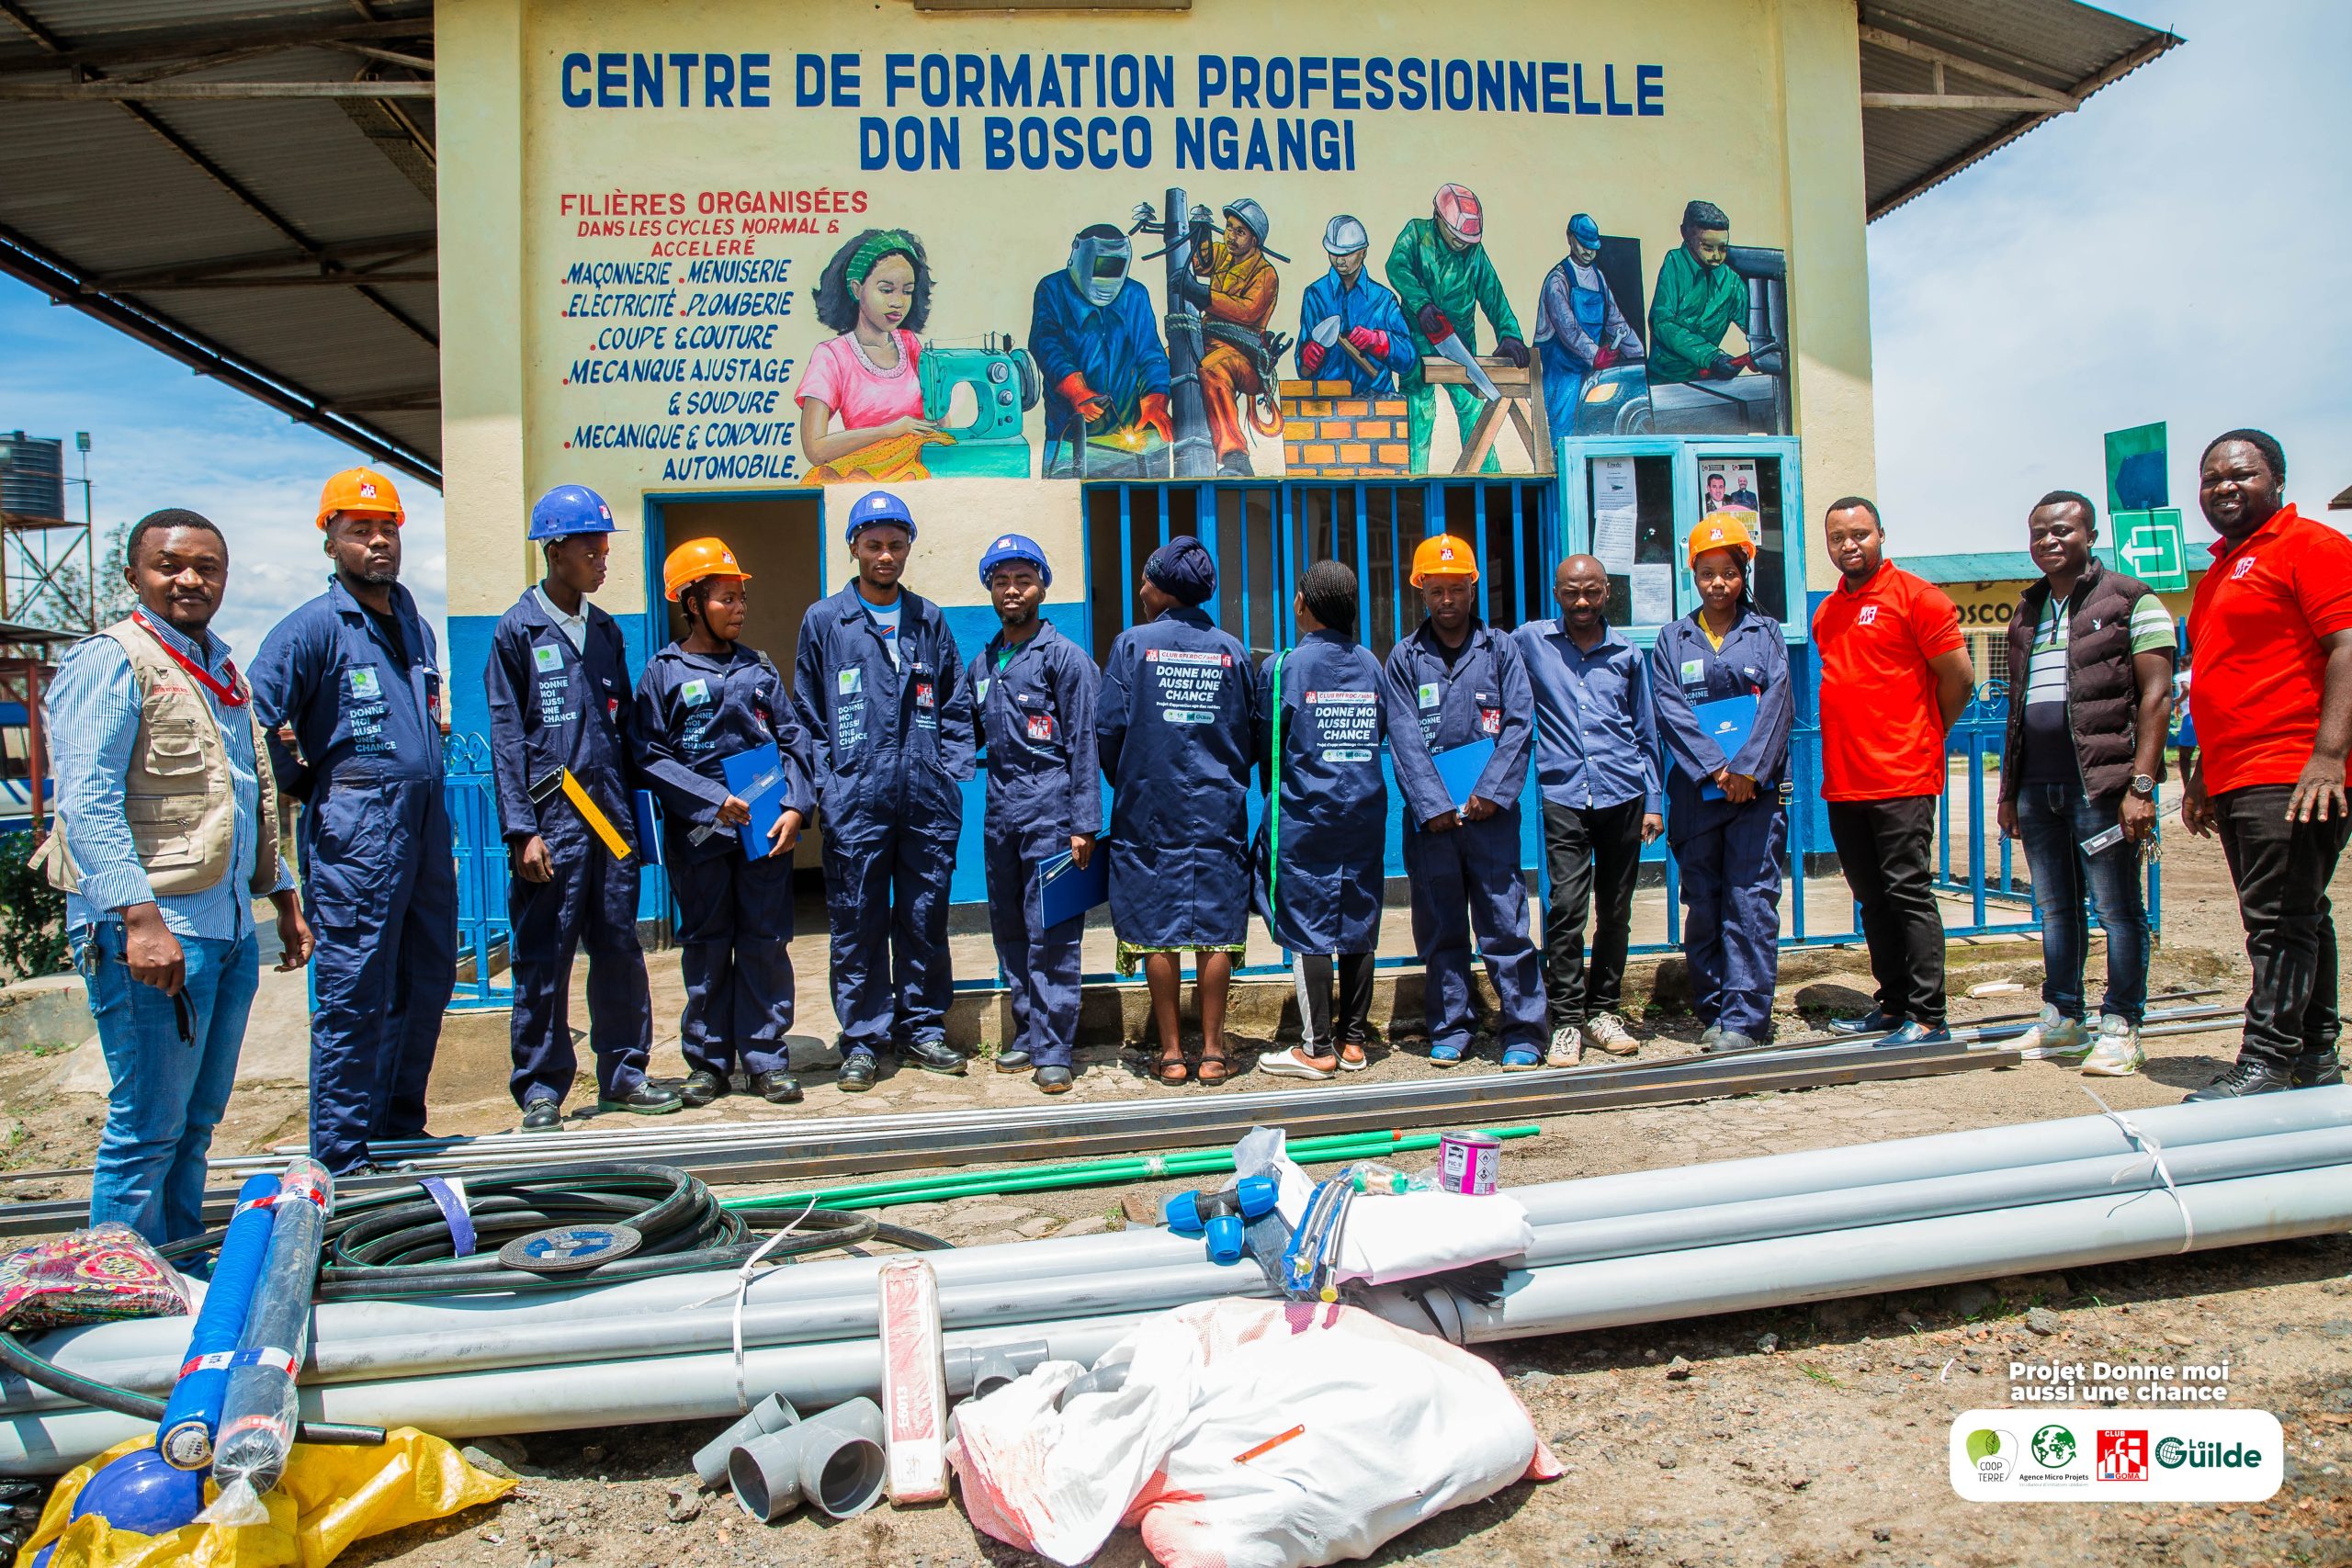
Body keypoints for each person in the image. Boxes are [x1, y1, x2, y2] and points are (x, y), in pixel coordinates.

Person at [36, 510, 311, 1242]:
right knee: (146, 1129)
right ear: (135, 575)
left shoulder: (219, 670)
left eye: (207, 567)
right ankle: (120, 1284)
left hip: (225, 926)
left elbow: (246, 793)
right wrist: (139, 919)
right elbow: (89, 800)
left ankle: (180, 1265)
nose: (190, 579)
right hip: (156, 932)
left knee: (195, 1124)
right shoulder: (112, 659)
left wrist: (282, 894)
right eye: (170, 565)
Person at [252, 468, 455, 1176]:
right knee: (354, 989)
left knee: (426, 979)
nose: (377, 541)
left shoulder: (417, 627)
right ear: (330, 540)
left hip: (425, 828)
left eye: (387, 528)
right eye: (359, 529)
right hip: (360, 834)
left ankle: (397, 1127)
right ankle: (342, 1153)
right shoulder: (312, 628)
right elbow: (251, 720)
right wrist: (301, 782)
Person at [484, 485, 681, 1130]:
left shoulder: (605, 631)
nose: (603, 561)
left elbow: (624, 731)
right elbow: (507, 736)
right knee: (545, 955)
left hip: (610, 820)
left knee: (620, 947)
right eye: (591, 550)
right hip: (552, 825)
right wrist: (521, 831)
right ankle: (542, 1087)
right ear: (555, 550)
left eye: (605, 549)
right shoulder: (517, 630)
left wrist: (649, 814)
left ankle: (624, 1073)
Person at [2178, 430, 2352, 1099]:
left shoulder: (2311, 546)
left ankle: (2267, 1062)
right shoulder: (2222, 569)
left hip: (2293, 766)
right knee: (2298, 914)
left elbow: (2346, 647)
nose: (2224, 486)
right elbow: (2223, 675)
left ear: (2277, 480)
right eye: (2211, 478)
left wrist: (2328, 757)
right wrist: (2203, 773)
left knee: (2278, 921)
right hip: (2240, 770)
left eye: (2241, 474)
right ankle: (2315, 1057)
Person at [793, 490, 975, 1091]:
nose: (885, 555)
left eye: (896, 544)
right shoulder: (826, 621)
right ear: (854, 547)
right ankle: (864, 1039)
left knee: (924, 916)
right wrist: (830, 786)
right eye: (873, 544)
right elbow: (807, 715)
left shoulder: (929, 619)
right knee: (857, 921)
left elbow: (954, 703)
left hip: (924, 799)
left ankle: (922, 1027)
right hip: (857, 800)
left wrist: (948, 773)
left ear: (908, 548)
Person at [1995, 491, 2174, 1077]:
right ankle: (2063, 1019)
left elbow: (2156, 696)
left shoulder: (2132, 600)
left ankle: (2122, 1025)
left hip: (2102, 788)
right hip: (2037, 788)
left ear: (2090, 536)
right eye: (2039, 532)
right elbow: (2017, 709)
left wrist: (2141, 787)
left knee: (2118, 910)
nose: (2049, 540)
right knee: (2055, 909)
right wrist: (2010, 793)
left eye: (2063, 530)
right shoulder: (2027, 610)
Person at [633, 537, 816, 1106]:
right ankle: (708, 1063)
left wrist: (796, 806)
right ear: (692, 604)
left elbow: (794, 739)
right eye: (726, 598)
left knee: (765, 942)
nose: (739, 608)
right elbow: (648, 754)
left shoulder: (758, 668)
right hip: (700, 837)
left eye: (742, 598)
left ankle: (765, 1060)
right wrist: (711, 798)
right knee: (707, 946)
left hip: (763, 834)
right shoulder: (663, 673)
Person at [1810, 497, 1974, 1044]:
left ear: (1881, 534)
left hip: (1902, 776)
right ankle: (1893, 1004)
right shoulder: (1827, 612)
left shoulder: (1918, 598)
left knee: (1908, 893)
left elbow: (1959, 679)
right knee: (1872, 899)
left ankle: (1928, 1016)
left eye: (1860, 533)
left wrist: (1926, 732)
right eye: (1838, 537)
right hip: (1845, 781)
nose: (1849, 545)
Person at [1098, 536, 1259, 1087]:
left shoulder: (1131, 646)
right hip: (1218, 808)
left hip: (1149, 807)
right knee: (1215, 925)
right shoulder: (1232, 650)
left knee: (1156, 923)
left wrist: (1132, 777)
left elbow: (1109, 730)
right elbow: (1249, 733)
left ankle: (1170, 1054)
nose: (1141, 590)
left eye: (1146, 580)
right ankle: (1212, 1053)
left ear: (1164, 589)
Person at [1383, 534, 1544, 1066]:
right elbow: (1403, 735)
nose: (1447, 600)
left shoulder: (1501, 650)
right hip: (1434, 826)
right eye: (1436, 591)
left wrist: (1491, 794)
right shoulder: (1405, 658)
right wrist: (1433, 806)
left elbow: (1519, 725)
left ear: (1473, 589)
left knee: (1505, 926)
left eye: (1456, 589)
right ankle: (1452, 1026)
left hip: (1490, 821)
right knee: (1441, 927)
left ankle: (1523, 1030)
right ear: (1422, 592)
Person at [1649, 515, 1795, 1053]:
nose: (1718, 583)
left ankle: (1746, 1018)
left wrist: (1749, 772)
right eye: (1707, 573)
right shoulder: (1673, 639)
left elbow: (1779, 703)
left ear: (1743, 573)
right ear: (1693, 575)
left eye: (1729, 573)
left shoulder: (1767, 633)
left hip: (1755, 796)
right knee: (1705, 902)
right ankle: (1713, 1008)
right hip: (1698, 795)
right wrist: (1717, 770)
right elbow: (1670, 711)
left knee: (1750, 901)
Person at [1515, 555, 1662, 1066]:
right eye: (1572, 591)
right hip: (1564, 796)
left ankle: (1604, 1012)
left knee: (1616, 911)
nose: (1582, 601)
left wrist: (1654, 801)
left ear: (1607, 592)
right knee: (1566, 909)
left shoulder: (1627, 653)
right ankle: (1567, 1021)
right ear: (1556, 592)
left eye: (1592, 591)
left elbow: (1645, 732)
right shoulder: (1531, 641)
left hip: (1624, 793)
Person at [968, 533, 1100, 1095]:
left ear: (1042, 586)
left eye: (1023, 580)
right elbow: (962, 734)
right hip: (1001, 813)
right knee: (1011, 930)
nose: (1012, 590)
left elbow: (1084, 743)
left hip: (1053, 813)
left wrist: (1084, 823)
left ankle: (1055, 1049)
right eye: (1001, 581)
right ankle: (1027, 1031)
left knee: (1053, 933)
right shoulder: (983, 663)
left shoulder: (1065, 658)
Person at [1257, 560, 1388, 1080]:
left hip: (1306, 813)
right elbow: (1379, 730)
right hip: (1363, 811)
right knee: (1358, 916)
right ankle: (1354, 1042)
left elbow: (1268, 742)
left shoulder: (1285, 667)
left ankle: (1316, 1049)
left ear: (1303, 604)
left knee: (1307, 923)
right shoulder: (1370, 664)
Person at [1385, 184, 1528, 474]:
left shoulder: (1475, 254)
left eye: (1466, 240)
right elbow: (1396, 267)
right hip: (1416, 340)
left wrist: (1509, 334)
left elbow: (1493, 294)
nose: (1462, 244)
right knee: (1418, 411)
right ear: (1438, 217)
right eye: (1456, 237)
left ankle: (1490, 481)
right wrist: (1422, 304)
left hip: (1458, 345)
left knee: (1473, 410)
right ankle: (1414, 484)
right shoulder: (1416, 234)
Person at [794, 229, 940, 481]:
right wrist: (889, 432)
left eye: (907, 291)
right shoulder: (832, 356)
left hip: (918, 471)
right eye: (886, 290)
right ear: (856, 289)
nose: (898, 302)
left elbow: (941, 421)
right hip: (864, 475)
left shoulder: (910, 345)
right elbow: (815, 449)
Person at [1031, 222, 1174, 477]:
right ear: (1079, 255)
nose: (1106, 278)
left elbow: (1151, 354)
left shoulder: (1135, 294)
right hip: (1069, 440)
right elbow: (1047, 345)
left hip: (1131, 437)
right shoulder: (1052, 289)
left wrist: (1155, 400)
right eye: (1101, 266)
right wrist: (1076, 390)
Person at [1192, 197, 1283, 478]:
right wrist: (1199, 233)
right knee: (1165, 360)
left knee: (1213, 369)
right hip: (1208, 343)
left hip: (1246, 358)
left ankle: (1235, 457)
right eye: (1229, 228)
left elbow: (1246, 312)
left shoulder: (1266, 274)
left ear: (1255, 240)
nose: (1231, 236)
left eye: (1240, 232)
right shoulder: (1223, 255)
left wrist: (1203, 295)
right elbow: (1200, 262)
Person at [1532, 212, 1643, 438]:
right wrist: (1595, 354)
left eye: (1593, 247)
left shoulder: (1598, 278)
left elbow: (1616, 321)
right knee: (1560, 430)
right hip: (1560, 371)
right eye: (1583, 245)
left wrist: (1640, 357)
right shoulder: (1557, 280)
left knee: (1589, 426)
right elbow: (1568, 328)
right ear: (1570, 238)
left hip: (1589, 368)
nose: (1588, 252)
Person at [1295, 215, 1417, 396]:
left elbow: (1408, 359)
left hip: (1377, 399)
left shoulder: (1383, 299)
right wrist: (1306, 359)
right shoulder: (1315, 295)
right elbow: (1302, 369)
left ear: (1363, 252)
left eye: (1347, 254)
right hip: (1328, 400)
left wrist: (1380, 342)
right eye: (1334, 253)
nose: (1339, 261)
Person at [1647, 199, 1747, 386]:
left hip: (1707, 380)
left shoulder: (1732, 281)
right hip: (1664, 381)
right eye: (1708, 248)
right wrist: (1711, 357)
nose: (1716, 256)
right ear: (1686, 234)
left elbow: (1751, 322)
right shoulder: (1674, 264)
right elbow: (1662, 323)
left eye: (1723, 248)